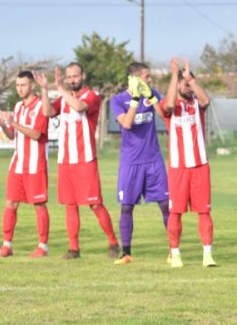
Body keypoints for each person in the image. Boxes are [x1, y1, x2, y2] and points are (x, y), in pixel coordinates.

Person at [39, 63, 120, 260]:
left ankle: (113, 243)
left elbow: (80, 107)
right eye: (69, 77)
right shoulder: (64, 98)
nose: (72, 80)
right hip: (66, 160)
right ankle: (73, 248)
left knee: (95, 204)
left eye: (75, 76)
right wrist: (44, 89)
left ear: (82, 75)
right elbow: (48, 112)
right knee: (70, 205)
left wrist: (59, 88)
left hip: (85, 159)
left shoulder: (91, 96)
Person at [109, 62, 169, 264]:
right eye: (147, 76)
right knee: (126, 207)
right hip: (130, 162)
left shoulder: (152, 94)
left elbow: (164, 115)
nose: (150, 80)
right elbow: (126, 124)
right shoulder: (117, 101)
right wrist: (135, 98)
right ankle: (126, 252)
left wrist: (151, 97)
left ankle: (173, 250)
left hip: (153, 160)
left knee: (165, 205)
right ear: (134, 79)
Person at [161, 57, 217, 268]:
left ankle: (207, 254)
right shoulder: (170, 106)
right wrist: (175, 75)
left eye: (190, 82)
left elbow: (206, 100)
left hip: (200, 166)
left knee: (204, 211)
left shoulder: (197, 105)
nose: (188, 85)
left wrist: (190, 77)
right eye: (184, 83)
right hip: (178, 168)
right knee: (175, 211)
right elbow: (167, 104)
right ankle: (175, 253)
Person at [0, 71, 51, 258]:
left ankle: (43, 247)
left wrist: (15, 124)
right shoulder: (18, 106)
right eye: (17, 85)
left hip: (36, 165)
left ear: (32, 86)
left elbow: (36, 134)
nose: (20, 88)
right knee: (10, 203)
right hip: (17, 164)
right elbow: (13, 135)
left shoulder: (41, 106)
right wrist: (4, 126)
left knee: (39, 205)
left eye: (23, 85)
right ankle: (7, 245)